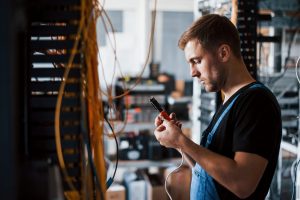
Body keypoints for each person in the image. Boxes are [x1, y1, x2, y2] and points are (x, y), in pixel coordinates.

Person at [153, 14, 282, 200]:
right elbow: (209, 173)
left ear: (223, 53)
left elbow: (242, 183)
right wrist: (179, 144)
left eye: (196, 61)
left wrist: (183, 141)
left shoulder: (256, 102)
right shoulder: (229, 101)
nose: (193, 73)